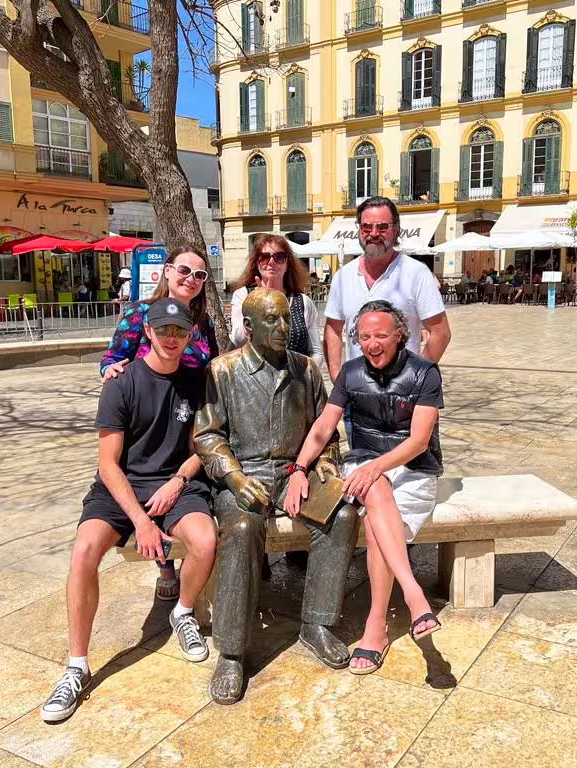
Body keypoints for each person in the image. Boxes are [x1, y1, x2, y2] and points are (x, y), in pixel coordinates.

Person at [41, 298, 217, 723]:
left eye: (180, 331)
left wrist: (177, 482)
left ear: (189, 335)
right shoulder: (121, 384)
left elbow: (204, 448)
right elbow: (108, 463)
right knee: (83, 552)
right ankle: (76, 666)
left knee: (206, 539)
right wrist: (140, 521)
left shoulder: (198, 382)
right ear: (148, 333)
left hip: (175, 483)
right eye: (163, 330)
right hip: (119, 489)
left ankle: (183, 611)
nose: (171, 338)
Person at [193, 289, 360, 705]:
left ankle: (316, 624)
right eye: (273, 320)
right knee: (245, 527)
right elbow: (207, 435)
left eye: (287, 319)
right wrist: (232, 477)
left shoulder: (305, 369)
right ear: (248, 327)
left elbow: (324, 428)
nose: (285, 328)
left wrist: (325, 461)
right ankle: (232, 652)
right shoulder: (223, 371)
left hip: (293, 473)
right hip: (244, 475)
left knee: (341, 515)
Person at [285, 300, 443, 675]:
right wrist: (299, 468)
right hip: (367, 466)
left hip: (414, 469)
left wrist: (375, 467)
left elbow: (419, 440)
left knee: (375, 525)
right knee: (375, 489)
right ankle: (412, 593)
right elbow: (324, 426)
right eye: (365, 336)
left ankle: (376, 627)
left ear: (401, 334)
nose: (372, 343)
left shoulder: (425, 374)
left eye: (382, 335)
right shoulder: (351, 373)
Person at [99, 247, 220, 604]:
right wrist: (111, 372)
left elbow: (211, 364)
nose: (191, 280)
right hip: (148, 420)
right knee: (152, 484)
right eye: (185, 270)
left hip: (188, 416)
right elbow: (113, 358)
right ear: (167, 271)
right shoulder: (139, 313)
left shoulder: (202, 321)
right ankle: (166, 566)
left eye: (200, 275)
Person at [323, 196, 451, 386]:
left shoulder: (416, 273)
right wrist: (337, 378)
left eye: (382, 227)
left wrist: (416, 378)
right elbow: (332, 330)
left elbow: (441, 332)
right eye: (367, 227)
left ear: (396, 229)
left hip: (403, 396)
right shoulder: (343, 277)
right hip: (358, 395)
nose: (374, 233)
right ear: (359, 230)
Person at [229, 234, 325, 373]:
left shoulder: (303, 302)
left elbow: (316, 351)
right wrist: (259, 302)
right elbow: (237, 340)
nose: (271, 262)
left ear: (288, 263)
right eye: (265, 257)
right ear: (257, 262)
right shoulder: (243, 295)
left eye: (279, 257)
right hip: (254, 383)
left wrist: (306, 376)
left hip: (296, 383)